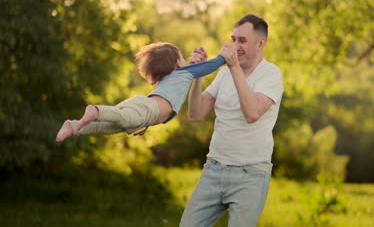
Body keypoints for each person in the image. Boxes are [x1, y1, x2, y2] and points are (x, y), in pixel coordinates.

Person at [180, 14, 284, 226]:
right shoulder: (224, 75)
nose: (236, 46)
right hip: (214, 169)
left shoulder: (271, 74)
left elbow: (252, 113)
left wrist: (234, 67)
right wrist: (197, 74)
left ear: (260, 43)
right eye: (234, 39)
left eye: (242, 41)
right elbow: (195, 113)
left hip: (250, 176)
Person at [56, 42, 226, 142]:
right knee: (120, 119)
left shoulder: (172, 76)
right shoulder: (183, 73)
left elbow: (192, 70)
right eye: (182, 58)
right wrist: (224, 57)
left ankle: (74, 127)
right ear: (178, 63)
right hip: (147, 108)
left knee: (109, 127)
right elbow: (208, 67)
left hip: (143, 107)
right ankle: (97, 110)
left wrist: (192, 61)